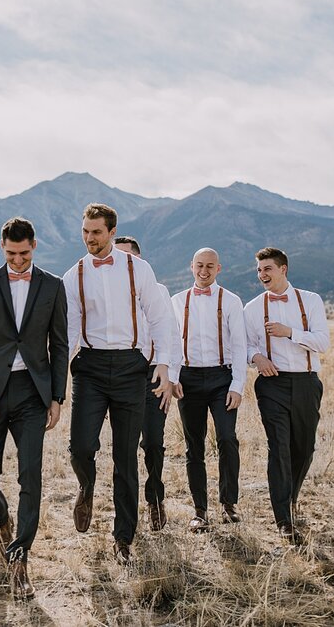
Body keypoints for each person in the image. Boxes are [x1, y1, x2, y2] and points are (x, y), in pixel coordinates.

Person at [0, 217, 68, 598]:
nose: (18, 261)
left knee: (31, 476)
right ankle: (1, 518)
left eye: (24, 254)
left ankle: (20, 556)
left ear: (34, 246)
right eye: (11, 254)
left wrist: (57, 397)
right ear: (1, 248)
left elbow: (60, 345)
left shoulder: (54, 287)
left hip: (32, 394)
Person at [62, 204, 173, 565]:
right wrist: (62, 374)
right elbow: (68, 328)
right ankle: (86, 486)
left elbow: (159, 318)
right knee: (80, 446)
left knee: (125, 457)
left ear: (112, 231)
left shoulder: (139, 270)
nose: (89, 238)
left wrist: (163, 364)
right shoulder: (73, 275)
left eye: (96, 232)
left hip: (131, 368)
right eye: (85, 232)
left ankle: (123, 537)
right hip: (90, 368)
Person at [243, 246, 329, 541]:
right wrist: (257, 358)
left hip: (306, 381)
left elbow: (322, 342)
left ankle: (290, 497)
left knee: (304, 447)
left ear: (283, 270)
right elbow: (245, 345)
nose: (262, 275)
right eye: (258, 270)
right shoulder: (252, 308)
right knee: (278, 447)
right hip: (272, 385)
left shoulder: (311, 301)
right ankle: (284, 519)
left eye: (267, 269)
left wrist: (290, 332)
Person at [170, 248, 246, 532]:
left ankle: (229, 504)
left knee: (227, 439)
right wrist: (174, 377)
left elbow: (239, 346)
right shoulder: (177, 301)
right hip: (188, 379)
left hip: (221, 378)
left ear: (219, 268)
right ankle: (200, 510)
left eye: (210, 266)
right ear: (191, 266)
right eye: (199, 265)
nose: (204, 271)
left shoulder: (231, 301)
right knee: (194, 445)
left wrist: (237, 385)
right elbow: (172, 343)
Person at [112, 236, 176, 531]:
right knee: (121, 447)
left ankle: (154, 499)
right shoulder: (108, 290)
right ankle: (122, 512)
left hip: (152, 375)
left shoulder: (159, 291)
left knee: (153, 441)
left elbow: (171, 335)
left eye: (129, 257)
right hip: (119, 375)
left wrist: (170, 378)